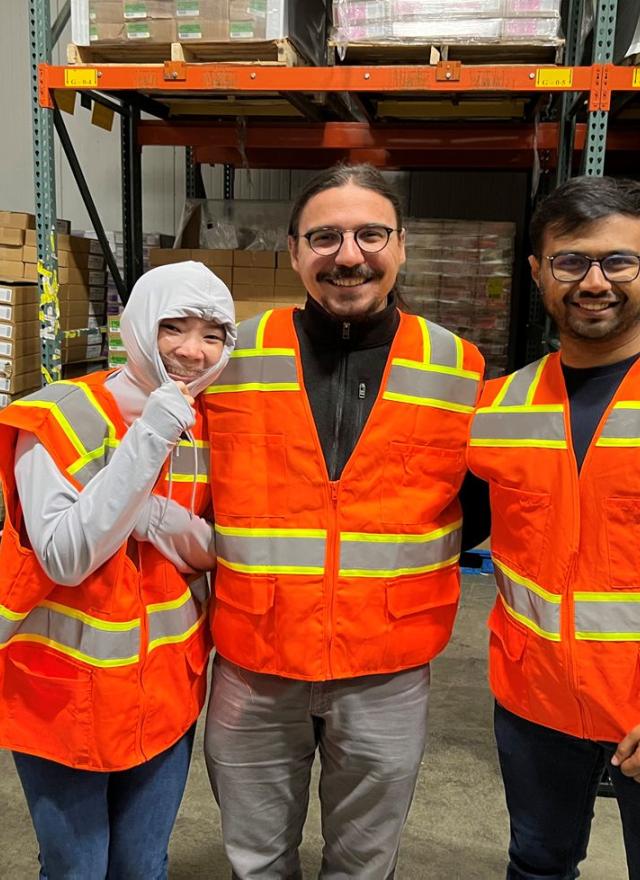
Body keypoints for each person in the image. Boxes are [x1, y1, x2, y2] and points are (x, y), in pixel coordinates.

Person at [203, 163, 486, 879]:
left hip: (386, 664)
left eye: (370, 234)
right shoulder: (230, 358)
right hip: (255, 655)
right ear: (294, 250)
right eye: (324, 236)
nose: (349, 255)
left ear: (403, 246)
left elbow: (478, 506)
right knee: (256, 856)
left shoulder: (458, 367)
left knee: (365, 862)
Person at [0, 261, 235, 879]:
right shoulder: (59, 415)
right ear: (137, 325)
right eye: (174, 327)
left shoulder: (208, 427)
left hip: (166, 692)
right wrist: (150, 436)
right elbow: (67, 556)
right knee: (76, 869)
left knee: (141, 865)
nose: (192, 349)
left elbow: (216, 549)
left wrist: (147, 514)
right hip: (63, 696)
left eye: (212, 333)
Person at [467, 175, 640, 880]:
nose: (593, 281)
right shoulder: (500, 407)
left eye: (618, 260)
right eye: (571, 261)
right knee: (538, 864)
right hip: (535, 701)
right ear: (538, 272)